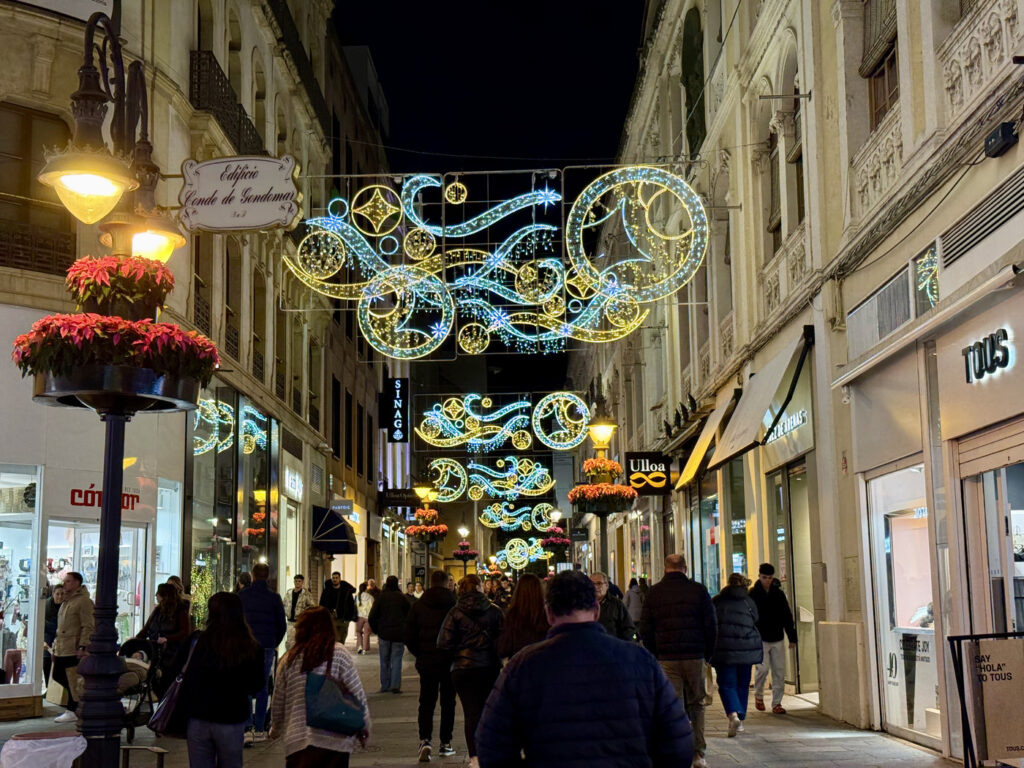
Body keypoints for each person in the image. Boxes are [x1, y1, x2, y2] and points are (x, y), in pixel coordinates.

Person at [476, 570, 694, 768]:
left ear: (549, 613)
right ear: (596, 610)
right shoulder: (640, 661)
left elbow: (491, 742)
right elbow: (678, 738)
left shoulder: (523, 666)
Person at [640, 554, 717, 768]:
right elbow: (711, 624)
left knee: (674, 706)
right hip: (695, 655)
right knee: (697, 704)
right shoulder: (699, 590)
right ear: (685, 568)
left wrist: (656, 654)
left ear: (665, 568)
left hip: (667, 658)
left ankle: (677, 751)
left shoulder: (654, 592)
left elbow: (645, 628)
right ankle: (698, 754)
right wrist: (707, 654)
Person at [271, 607, 371, 768]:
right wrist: (364, 726)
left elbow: (279, 699)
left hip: (298, 741)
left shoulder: (289, 658)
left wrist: (275, 727)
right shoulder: (339, 654)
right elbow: (357, 694)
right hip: (335, 741)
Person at [182, 592, 265, 768]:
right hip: (231, 717)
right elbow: (256, 685)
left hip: (199, 716)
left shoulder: (199, 641)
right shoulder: (250, 646)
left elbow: (186, 676)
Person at [437, 574, 503, 768]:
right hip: (489, 667)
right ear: (480, 588)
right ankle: (489, 751)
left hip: (463, 670)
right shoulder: (495, 611)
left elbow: (443, 642)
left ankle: (475, 758)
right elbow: (504, 638)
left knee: (471, 713)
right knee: (488, 711)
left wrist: (457, 655)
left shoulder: (454, 612)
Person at [405, 570, 457, 762]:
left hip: (427, 661)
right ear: (446, 584)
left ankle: (425, 739)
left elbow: (409, 635)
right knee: (448, 702)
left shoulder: (418, 606)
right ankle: (446, 742)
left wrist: (421, 653)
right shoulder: (454, 605)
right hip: (449, 661)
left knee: (426, 701)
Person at [238, 563, 286, 742]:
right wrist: (274, 643)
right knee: (263, 685)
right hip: (266, 645)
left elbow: (237, 621)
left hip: (247, 646)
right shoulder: (274, 598)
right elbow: (281, 624)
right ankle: (260, 728)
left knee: (245, 684)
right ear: (267, 577)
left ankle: (247, 726)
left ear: (252, 575)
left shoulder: (242, 596)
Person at [712, 573, 763, 737]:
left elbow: (711, 623)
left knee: (727, 684)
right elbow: (756, 619)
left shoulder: (718, 601)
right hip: (746, 648)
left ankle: (733, 713)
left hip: (724, 649)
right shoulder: (749, 601)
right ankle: (740, 719)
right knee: (743, 683)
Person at [749, 562, 797, 715]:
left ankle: (777, 702)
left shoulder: (778, 594)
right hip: (761, 637)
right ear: (759, 576)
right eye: (764, 577)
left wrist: (792, 636)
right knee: (762, 669)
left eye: (770, 577)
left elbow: (786, 615)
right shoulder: (753, 594)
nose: (767, 580)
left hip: (777, 636)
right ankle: (759, 695)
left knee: (779, 671)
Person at [52, 571, 94, 723]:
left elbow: (87, 625)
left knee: (71, 676)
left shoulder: (83, 601)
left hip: (73, 645)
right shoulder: (66, 600)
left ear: (77, 583)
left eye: (68, 581)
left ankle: (73, 707)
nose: (65, 584)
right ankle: (76, 704)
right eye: (65, 581)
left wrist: (83, 645)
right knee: (58, 674)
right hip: (62, 645)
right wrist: (55, 646)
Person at [137, 582, 191, 695]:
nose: (156, 595)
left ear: (163, 596)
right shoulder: (158, 610)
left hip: (171, 653)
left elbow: (184, 632)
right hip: (157, 650)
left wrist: (167, 638)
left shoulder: (180, 611)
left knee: (163, 678)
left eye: (158, 593)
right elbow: (146, 629)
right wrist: (135, 642)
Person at [368, 575, 411, 693]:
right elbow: (410, 615)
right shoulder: (402, 598)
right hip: (398, 634)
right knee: (396, 659)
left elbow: (372, 616)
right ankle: (395, 685)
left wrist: (376, 630)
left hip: (384, 633)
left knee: (384, 660)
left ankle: (385, 685)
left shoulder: (381, 598)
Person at [496, 574, 549, 659]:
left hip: (519, 664)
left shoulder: (513, 615)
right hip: (543, 662)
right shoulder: (546, 613)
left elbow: (504, 648)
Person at [591, 571, 636, 641]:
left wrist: (620, 646)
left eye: (599, 583)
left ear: (606, 585)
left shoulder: (616, 604)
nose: (595, 587)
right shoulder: (583, 604)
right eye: (592, 584)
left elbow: (628, 628)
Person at [319, 572, 357, 643]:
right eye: (333, 578)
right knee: (331, 639)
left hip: (343, 619)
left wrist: (349, 617)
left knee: (341, 639)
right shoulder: (327, 591)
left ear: (340, 579)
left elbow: (351, 604)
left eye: (336, 578)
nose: (335, 579)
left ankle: (339, 652)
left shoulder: (346, 591)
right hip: (330, 618)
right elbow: (322, 603)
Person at [283, 575, 317, 650]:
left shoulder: (306, 594)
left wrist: (304, 613)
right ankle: (290, 658)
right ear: (294, 582)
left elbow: (312, 606)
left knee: (299, 641)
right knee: (289, 642)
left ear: (302, 582)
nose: (297, 583)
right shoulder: (289, 593)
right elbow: (284, 604)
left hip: (300, 621)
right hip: (290, 622)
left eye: (299, 581)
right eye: (296, 581)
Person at [42, 584, 64, 688]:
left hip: (61, 641)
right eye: (57, 594)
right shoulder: (46, 606)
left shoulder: (65, 606)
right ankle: (48, 687)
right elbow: (41, 625)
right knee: (47, 664)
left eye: (62, 594)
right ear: (53, 594)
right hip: (47, 640)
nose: (60, 596)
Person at [355, 582, 375, 655]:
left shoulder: (357, 596)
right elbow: (373, 607)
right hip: (368, 617)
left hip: (359, 617)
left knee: (358, 632)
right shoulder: (370, 597)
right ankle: (364, 649)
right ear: (366, 589)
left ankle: (359, 647)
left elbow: (356, 606)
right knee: (366, 633)